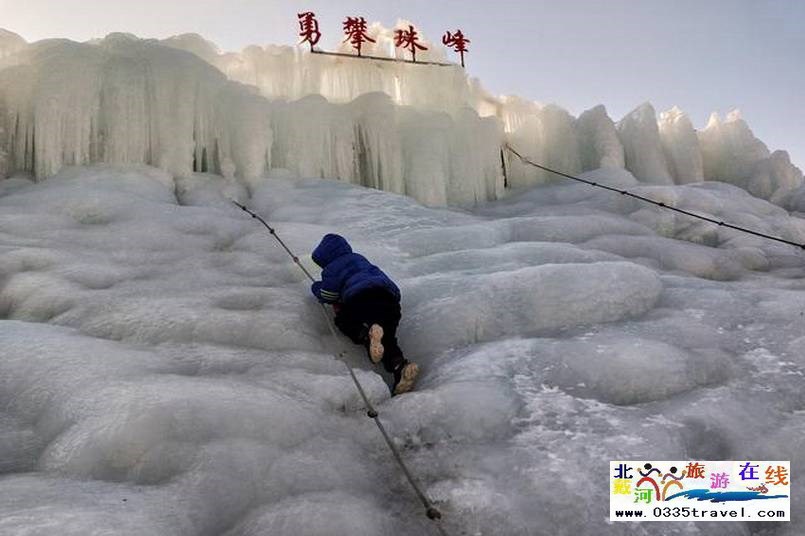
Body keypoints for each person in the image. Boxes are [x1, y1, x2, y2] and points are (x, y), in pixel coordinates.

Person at [310, 233, 419, 395]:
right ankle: (400, 367)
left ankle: (367, 336)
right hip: (389, 300)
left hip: (360, 298)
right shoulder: (362, 260)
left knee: (344, 320)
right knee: (388, 339)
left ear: (326, 257)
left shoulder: (333, 267)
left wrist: (316, 288)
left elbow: (328, 294)